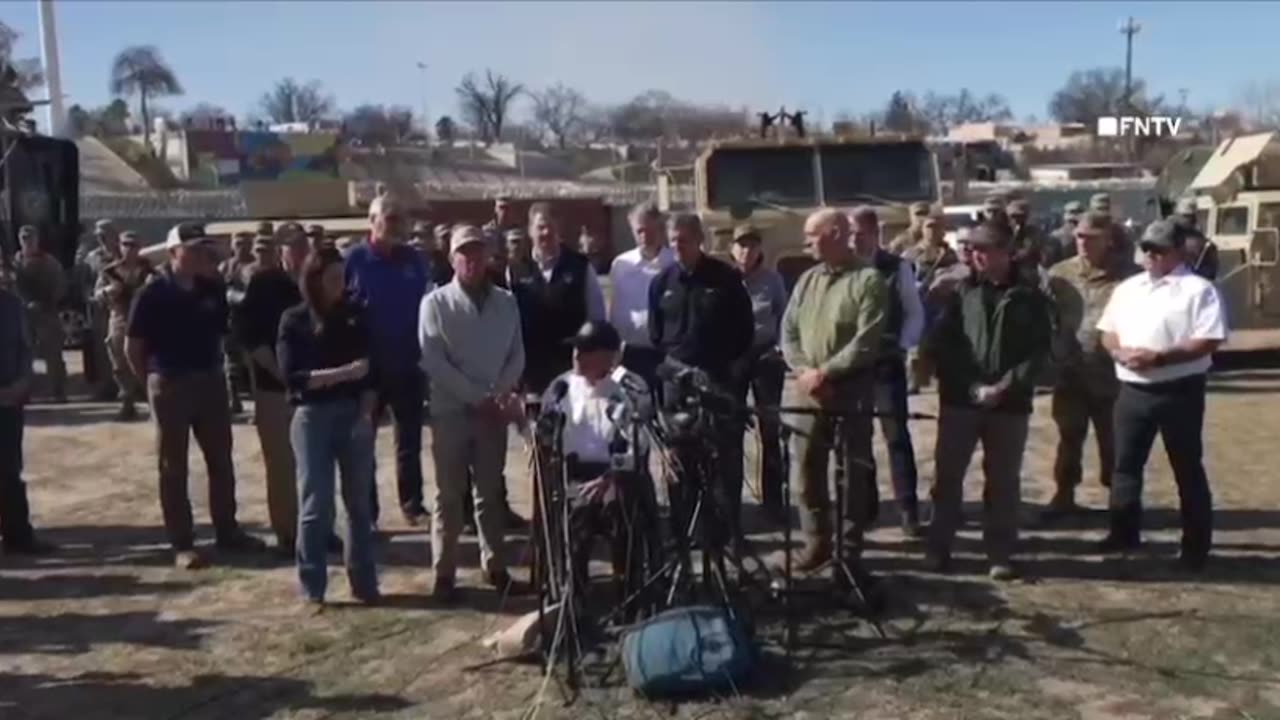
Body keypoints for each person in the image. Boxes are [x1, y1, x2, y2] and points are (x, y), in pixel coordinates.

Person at [126, 223, 266, 569]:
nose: (202, 254)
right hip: (170, 382)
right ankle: (182, 543)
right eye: (194, 248)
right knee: (173, 466)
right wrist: (152, 382)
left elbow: (221, 331)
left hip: (210, 380)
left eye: (205, 248)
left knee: (221, 459)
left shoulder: (212, 287)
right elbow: (133, 346)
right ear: (174, 252)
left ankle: (228, 530)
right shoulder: (153, 292)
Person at [922, 222, 1052, 581]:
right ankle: (938, 547)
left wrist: (1006, 386)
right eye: (973, 249)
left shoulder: (1030, 297)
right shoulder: (960, 294)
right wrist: (973, 386)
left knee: (1003, 483)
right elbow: (944, 346)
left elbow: (1040, 351)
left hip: (1009, 406)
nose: (977, 255)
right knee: (947, 478)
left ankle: (999, 553)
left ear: (1006, 252)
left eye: (986, 249)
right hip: (961, 401)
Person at [1095, 219, 1227, 571]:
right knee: (1124, 466)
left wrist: (1161, 357)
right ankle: (1123, 534)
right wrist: (1118, 352)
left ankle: (1195, 546)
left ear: (1177, 251)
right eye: (1146, 248)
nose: (1150, 255)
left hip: (1178, 391)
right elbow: (1107, 330)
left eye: (1158, 250)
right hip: (1132, 389)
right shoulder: (1128, 288)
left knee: (1186, 468)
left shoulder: (1198, 289)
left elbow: (1209, 338)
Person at [419, 224, 527, 602]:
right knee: (449, 495)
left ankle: (494, 566)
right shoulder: (434, 303)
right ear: (452, 259)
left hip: (492, 414)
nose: (472, 259)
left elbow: (517, 355)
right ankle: (444, 572)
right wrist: (475, 396)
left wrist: (496, 395)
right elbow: (433, 360)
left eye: (477, 251)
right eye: (464, 252)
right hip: (451, 412)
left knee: (490, 492)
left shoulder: (506, 302)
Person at [780, 208, 886, 571]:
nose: (806, 241)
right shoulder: (806, 279)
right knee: (807, 471)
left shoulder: (868, 280)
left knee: (851, 473)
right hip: (807, 392)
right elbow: (788, 331)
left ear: (837, 234)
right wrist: (805, 372)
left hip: (850, 391)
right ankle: (816, 545)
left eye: (813, 234)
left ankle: (848, 552)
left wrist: (826, 373)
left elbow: (866, 341)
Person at [277, 248, 380, 608]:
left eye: (343, 277)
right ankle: (312, 586)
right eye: (333, 278)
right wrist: (343, 374)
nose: (341, 285)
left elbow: (371, 371)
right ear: (315, 279)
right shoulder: (295, 320)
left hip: (354, 414)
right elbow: (294, 378)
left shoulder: (356, 314)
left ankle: (364, 582)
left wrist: (367, 413)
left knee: (360, 503)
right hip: (312, 419)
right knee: (317, 505)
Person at [540, 320, 654, 616]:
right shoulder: (561, 387)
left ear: (609, 356)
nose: (577, 356)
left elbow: (638, 445)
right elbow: (545, 435)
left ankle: (628, 597)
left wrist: (609, 479)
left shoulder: (629, 388)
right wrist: (523, 421)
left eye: (586, 350)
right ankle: (574, 598)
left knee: (621, 513)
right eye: (576, 349)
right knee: (573, 517)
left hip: (617, 476)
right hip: (574, 474)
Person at [649, 212, 755, 526]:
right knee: (681, 458)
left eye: (683, 240)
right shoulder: (661, 282)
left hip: (718, 382)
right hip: (676, 386)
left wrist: (729, 375)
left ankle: (726, 528)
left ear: (699, 240)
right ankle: (685, 527)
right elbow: (656, 335)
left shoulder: (725, 278)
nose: (678, 246)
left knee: (724, 460)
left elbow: (744, 330)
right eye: (673, 241)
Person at [1042, 213, 1140, 519]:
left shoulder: (1129, 276)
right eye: (1080, 236)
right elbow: (1046, 317)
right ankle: (1064, 495)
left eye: (1091, 237)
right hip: (1070, 371)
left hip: (1112, 374)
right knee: (1069, 436)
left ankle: (1119, 501)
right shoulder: (1059, 275)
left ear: (1108, 239)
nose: (1083, 242)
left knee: (1114, 439)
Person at [345, 193, 432, 527]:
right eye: (390, 218)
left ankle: (412, 505)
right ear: (372, 221)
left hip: (409, 365)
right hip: (368, 369)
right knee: (363, 443)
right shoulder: (354, 259)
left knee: (408, 441)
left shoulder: (414, 259)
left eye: (401, 219)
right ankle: (367, 512)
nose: (397, 225)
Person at [849, 207, 926, 537]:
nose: (854, 240)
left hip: (886, 364)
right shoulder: (842, 269)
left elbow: (913, 313)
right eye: (850, 233)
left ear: (875, 234)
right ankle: (865, 510)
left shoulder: (897, 269)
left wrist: (904, 346)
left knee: (896, 437)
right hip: (852, 367)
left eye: (860, 233)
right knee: (857, 439)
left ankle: (908, 510)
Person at [236, 232, 303, 554]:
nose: (299, 252)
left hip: (315, 391)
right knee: (281, 465)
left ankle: (316, 528)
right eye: (292, 247)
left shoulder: (316, 282)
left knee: (313, 465)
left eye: (304, 246)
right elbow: (251, 338)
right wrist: (284, 376)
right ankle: (287, 533)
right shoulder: (264, 286)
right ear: (280, 251)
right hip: (274, 389)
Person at [508, 201, 607, 395]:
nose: (546, 233)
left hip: (572, 366)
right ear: (530, 231)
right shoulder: (515, 269)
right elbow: (509, 321)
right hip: (531, 369)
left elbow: (597, 317)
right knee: (537, 424)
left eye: (550, 227)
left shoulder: (580, 267)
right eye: (540, 227)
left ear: (559, 229)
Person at [729, 225, 788, 516]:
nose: (746, 251)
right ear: (732, 248)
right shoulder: (725, 280)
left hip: (765, 358)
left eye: (751, 246)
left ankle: (774, 501)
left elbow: (785, 316)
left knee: (770, 429)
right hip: (734, 359)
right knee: (731, 429)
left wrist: (780, 348)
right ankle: (731, 501)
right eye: (740, 245)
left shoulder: (772, 280)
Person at [0, 280, 52, 554]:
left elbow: (26, 348)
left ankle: (18, 536)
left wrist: (23, 383)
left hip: (10, 400)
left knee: (9, 469)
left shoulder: (11, 304)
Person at [609, 203, 675, 386]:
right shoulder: (621, 264)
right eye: (639, 231)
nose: (645, 236)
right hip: (630, 353)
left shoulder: (674, 263)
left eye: (650, 230)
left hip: (666, 352)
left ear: (660, 229)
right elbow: (615, 306)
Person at [93, 231, 155, 420]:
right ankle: (127, 401)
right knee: (119, 363)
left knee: (148, 362)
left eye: (134, 245)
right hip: (120, 318)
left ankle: (153, 401)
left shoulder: (149, 270)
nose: (130, 249)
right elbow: (96, 295)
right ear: (120, 246)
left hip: (146, 321)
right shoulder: (110, 271)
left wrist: (151, 286)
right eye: (126, 245)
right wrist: (107, 291)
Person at [14, 225, 67, 403]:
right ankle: (24, 392)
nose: (27, 242)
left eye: (30, 238)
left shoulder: (49, 262)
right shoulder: (14, 263)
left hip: (46, 312)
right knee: (22, 355)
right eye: (24, 238)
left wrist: (45, 303)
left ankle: (59, 391)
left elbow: (60, 286)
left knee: (53, 354)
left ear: (37, 239)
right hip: (22, 314)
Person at [80, 219, 123, 401]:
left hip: (121, 308)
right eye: (99, 236)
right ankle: (107, 387)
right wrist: (88, 298)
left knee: (121, 348)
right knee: (101, 349)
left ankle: (127, 388)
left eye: (106, 235)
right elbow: (84, 280)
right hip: (98, 308)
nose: (102, 240)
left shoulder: (123, 255)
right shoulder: (92, 257)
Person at [221, 230, 256, 415]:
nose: (242, 247)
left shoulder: (255, 265)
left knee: (254, 365)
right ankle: (233, 400)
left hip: (251, 322)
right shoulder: (226, 266)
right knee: (231, 365)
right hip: (231, 321)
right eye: (238, 243)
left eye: (245, 243)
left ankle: (259, 406)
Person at [1172, 197, 1218, 281]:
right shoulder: (1168, 238)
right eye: (1183, 216)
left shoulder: (1205, 244)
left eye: (1189, 216)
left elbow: (1210, 273)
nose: (1185, 220)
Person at [1043, 201, 1084, 267]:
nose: (1073, 226)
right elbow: (1047, 262)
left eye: (1075, 222)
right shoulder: (1055, 237)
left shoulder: (1087, 236)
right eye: (1071, 222)